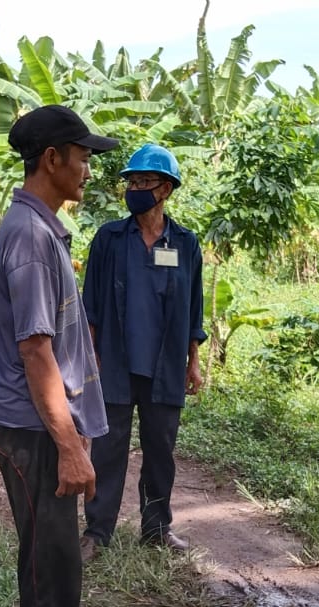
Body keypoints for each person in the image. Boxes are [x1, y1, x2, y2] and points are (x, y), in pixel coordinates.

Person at [0, 104, 120, 607]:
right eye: (83, 156)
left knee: (56, 552)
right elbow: (36, 351)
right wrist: (68, 443)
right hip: (33, 430)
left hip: (42, 425)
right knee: (50, 560)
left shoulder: (38, 228)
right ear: (52, 160)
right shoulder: (32, 240)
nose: (89, 168)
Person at [79, 144, 206, 562]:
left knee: (160, 450)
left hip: (164, 365)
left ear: (165, 189)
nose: (134, 189)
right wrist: (90, 359)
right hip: (114, 362)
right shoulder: (110, 239)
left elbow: (194, 309)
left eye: (143, 182)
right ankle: (97, 533)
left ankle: (157, 529)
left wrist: (193, 361)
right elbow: (91, 305)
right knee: (108, 448)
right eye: (131, 182)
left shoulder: (185, 244)